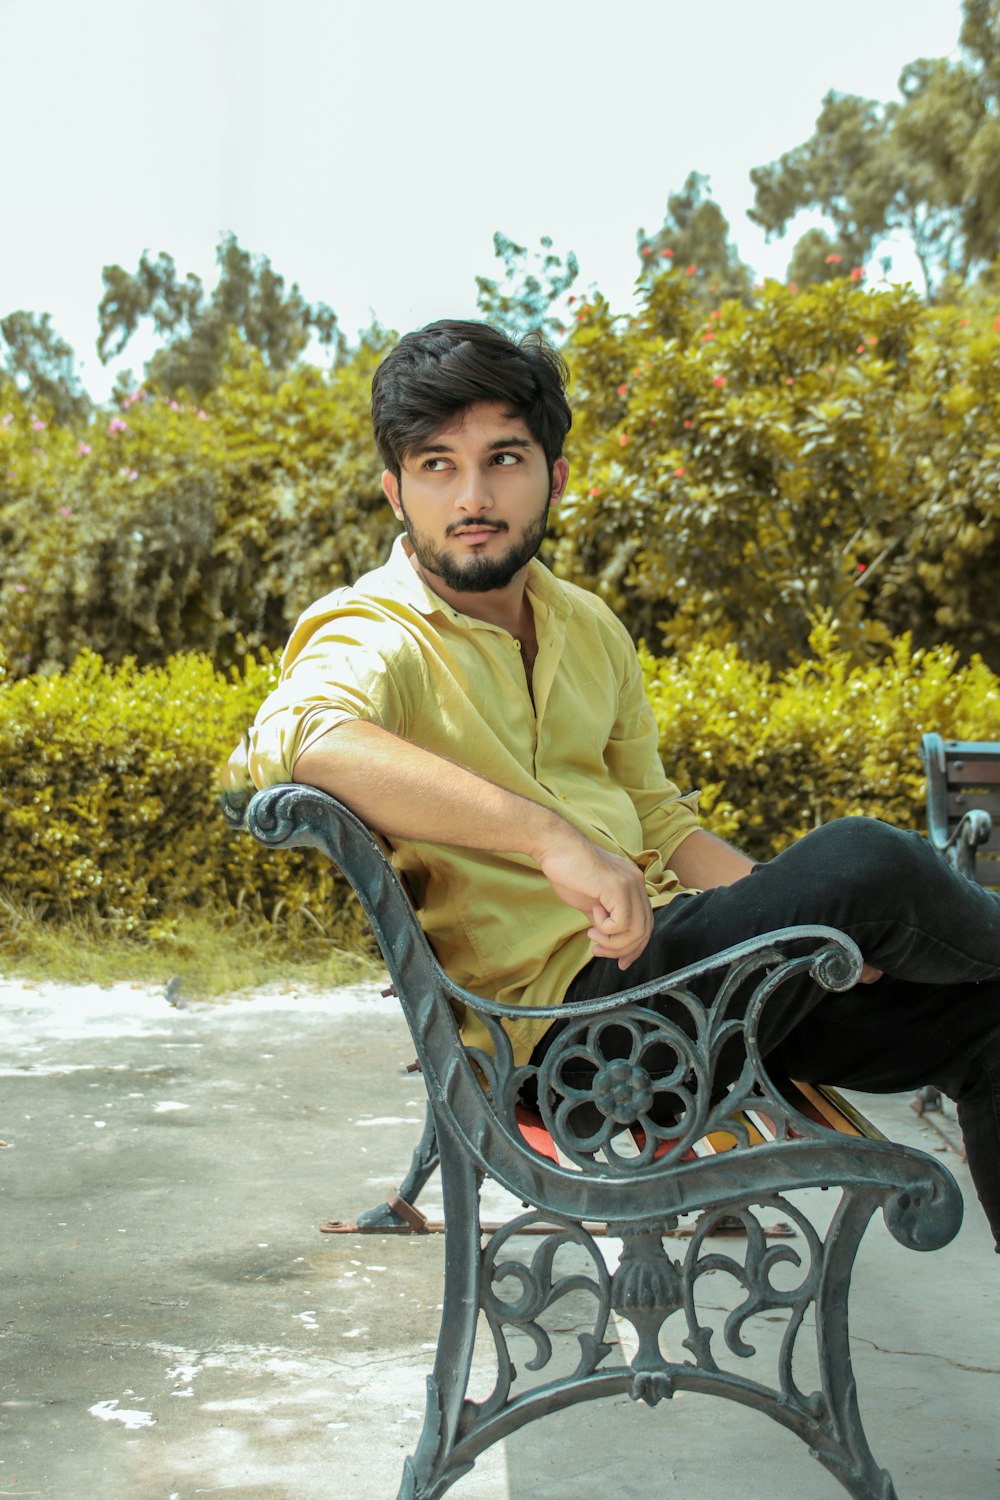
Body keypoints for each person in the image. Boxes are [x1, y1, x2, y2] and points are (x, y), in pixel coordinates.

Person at [239, 319, 1000, 1254]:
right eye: (437, 465)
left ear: (554, 476)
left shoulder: (586, 624)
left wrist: (815, 929)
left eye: (503, 459)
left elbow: (661, 822)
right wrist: (550, 839)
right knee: (869, 854)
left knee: (986, 1018)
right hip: (572, 1036)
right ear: (395, 490)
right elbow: (302, 739)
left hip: (687, 991)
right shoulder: (375, 629)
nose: (471, 496)